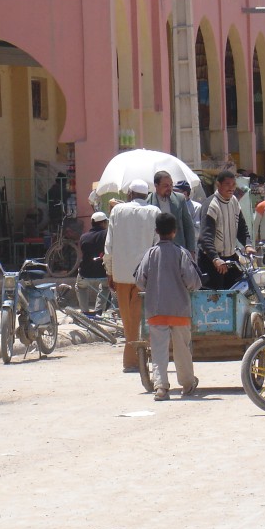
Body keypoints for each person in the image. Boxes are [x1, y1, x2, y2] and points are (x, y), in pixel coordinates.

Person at [134, 212, 202, 401]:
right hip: (180, 310)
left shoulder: (150, 253)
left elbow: (140, 281)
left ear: (156, 231)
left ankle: (161, 387)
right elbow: (192, 282)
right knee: (182, 349)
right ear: (175, 231)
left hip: (156, 311)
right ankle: (187, 384)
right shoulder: (181, 253)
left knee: (158, 350)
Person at [103, 179, 160, 371]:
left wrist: (109, 272)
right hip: (146, 274)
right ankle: (145, 357)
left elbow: (109, 246)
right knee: (144, 317)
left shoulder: (118, 212)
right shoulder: (154, 212)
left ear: (129, 194)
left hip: (122, 274)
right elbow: (157, 243)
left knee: (127, 319)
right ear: (146, 195)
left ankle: (131, 361)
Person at [198, 170, 255, 290]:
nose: (231, 188)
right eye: (227, 184)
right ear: (218, 185)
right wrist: (215, 258)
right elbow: (205, 237)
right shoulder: (211, 205)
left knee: (238, 293)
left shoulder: (234, 201)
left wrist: (248, 244)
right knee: (216, 299)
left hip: (230, 258)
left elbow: (241, 227)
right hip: (212, 260)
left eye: (233, 184)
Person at [146, 170, 197, 254]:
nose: (169, 188)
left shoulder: (179, 199)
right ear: (156, 186)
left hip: (178, 248)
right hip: (157, 250)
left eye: (171, 185)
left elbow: (188, 226)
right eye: (165, 185)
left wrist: (191, 250)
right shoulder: (148, 202)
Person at [76, 211, 110, 313]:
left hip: (85, 273)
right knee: (105, 287)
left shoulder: (83, 237)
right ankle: (99, 310)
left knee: (80, 287)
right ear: (103, 223)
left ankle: (85, 311)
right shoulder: (107, 235)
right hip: (103, 273)